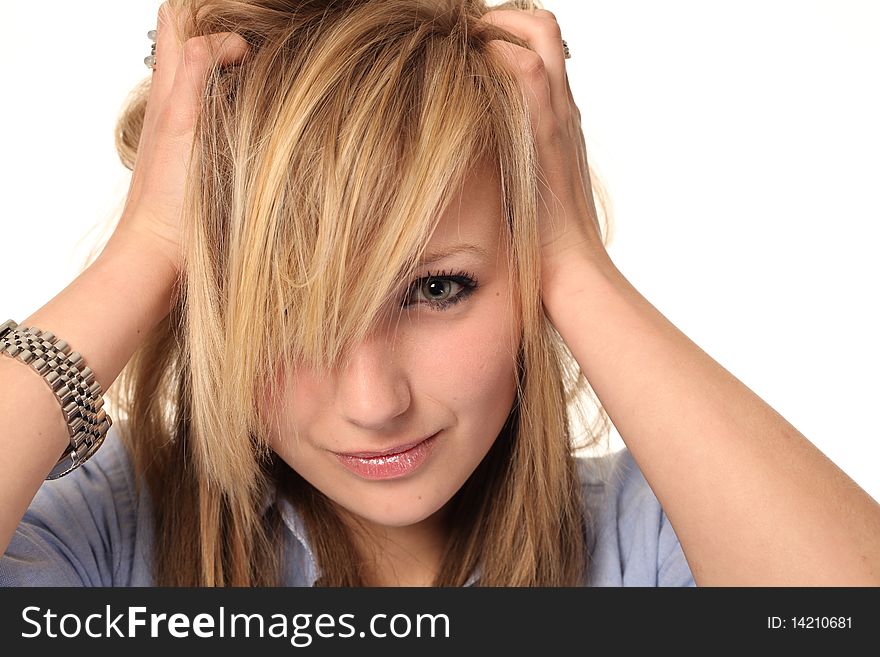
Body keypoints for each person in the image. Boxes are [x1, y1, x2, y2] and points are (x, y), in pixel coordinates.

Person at [1, 0, 878, 588]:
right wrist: (142, 253)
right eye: (281, 311)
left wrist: (575, 263)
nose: (375, 401)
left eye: (437, 287)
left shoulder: (649, 542)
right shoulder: (105, 544)